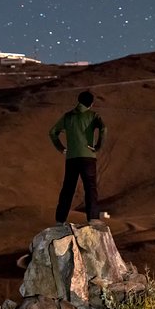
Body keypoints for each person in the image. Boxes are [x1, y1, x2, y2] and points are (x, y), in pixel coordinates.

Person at [49, 91, 107, 226]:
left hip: (71, 158)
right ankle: (92, 218)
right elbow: (104, 128)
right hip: (88, 157)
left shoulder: (68, 116)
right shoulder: (93, 116)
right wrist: (98, 146)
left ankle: (60, 219)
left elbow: (52, 132)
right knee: (90, 187)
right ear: (91, 103)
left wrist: (61, 148)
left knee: (68, 188)